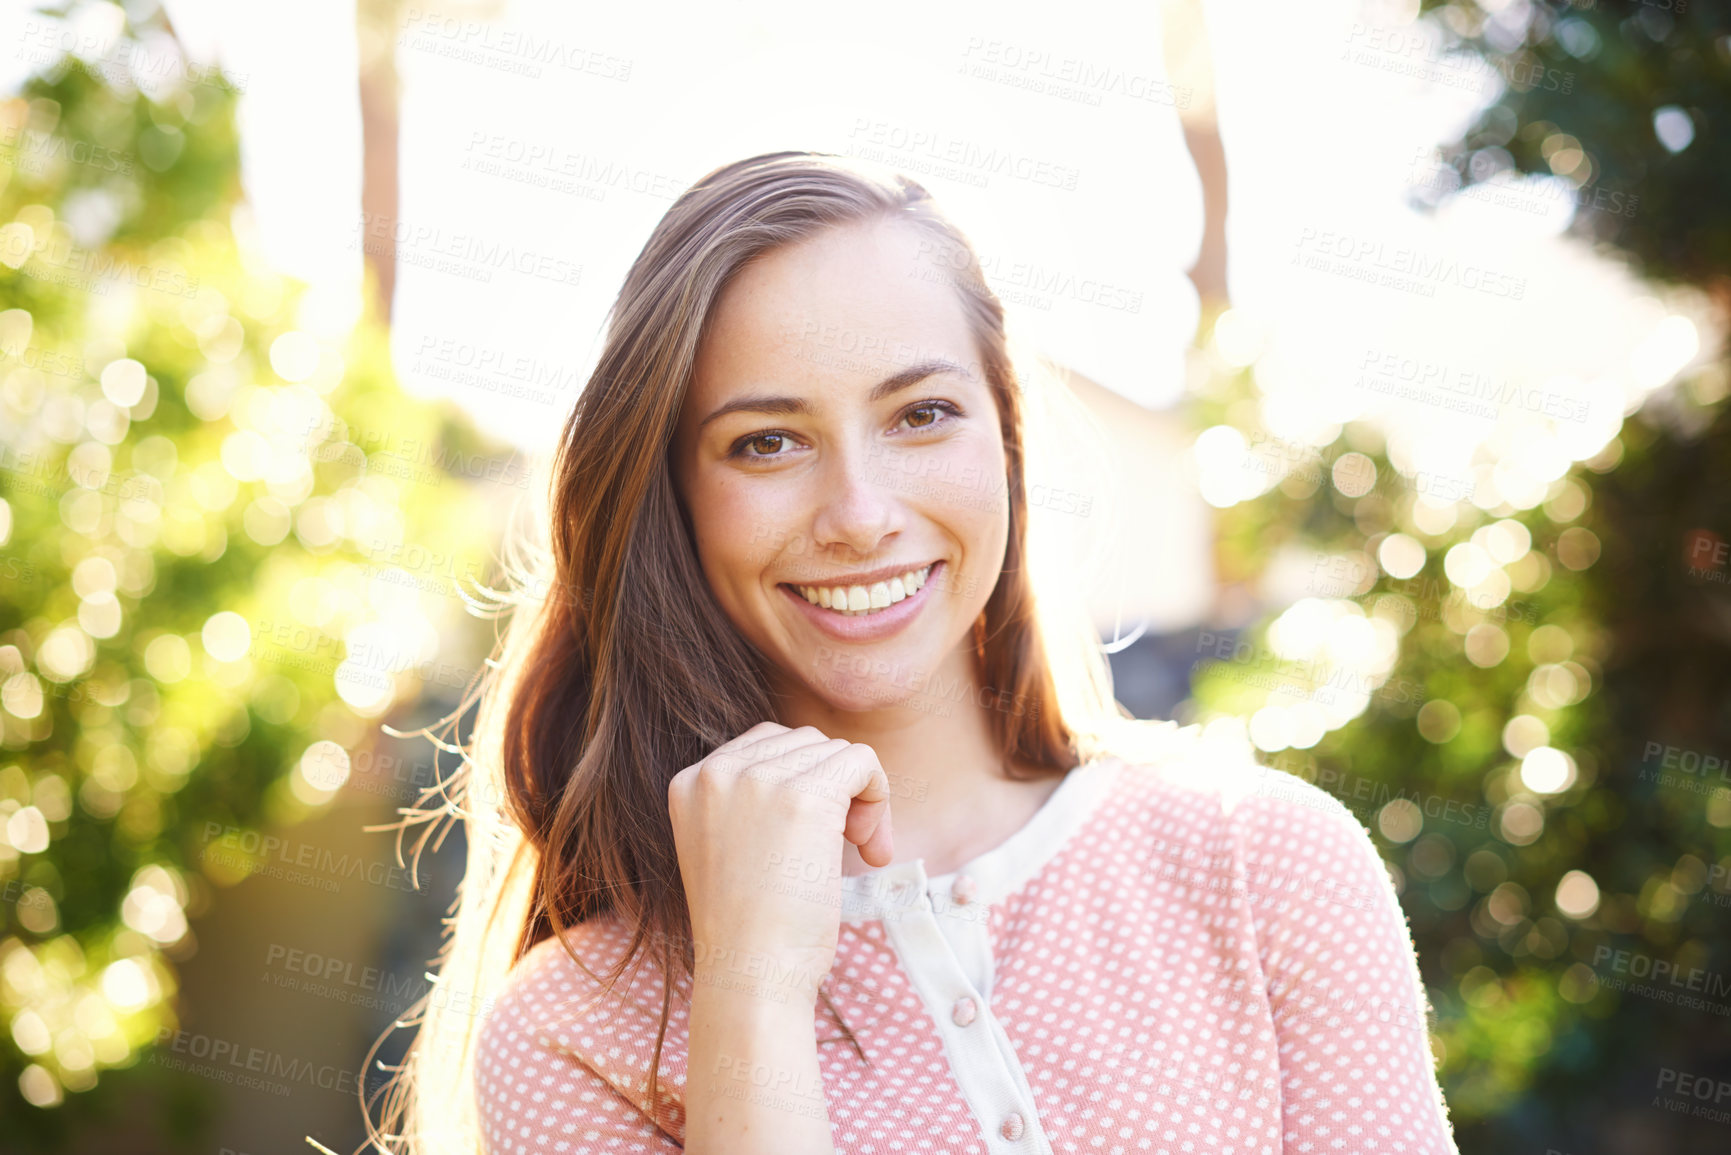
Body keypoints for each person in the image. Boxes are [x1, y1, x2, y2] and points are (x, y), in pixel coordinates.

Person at [368, 151, 1459, 1155]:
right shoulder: (574, 1033)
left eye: (922, 414)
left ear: (1007, 444)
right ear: (673, 504)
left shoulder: (1263, 865)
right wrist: (750, 988)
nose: (859, 513)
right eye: (766, 442)